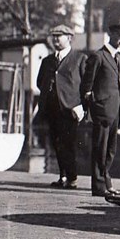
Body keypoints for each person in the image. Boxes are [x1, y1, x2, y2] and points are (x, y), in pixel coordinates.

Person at [81, 17, 120, 197]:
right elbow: (86, 86)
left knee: (110, 149)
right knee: (99, 148)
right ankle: (99, 186)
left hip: (115, 111)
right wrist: (92, 106)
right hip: (102, 110)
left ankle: (107, 182)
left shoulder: (118, 58)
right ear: (110, 35)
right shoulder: (98, 56)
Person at [36, 24, 85, 189]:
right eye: (54, 36)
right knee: (56, 143)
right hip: (52, 108)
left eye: (59, 36)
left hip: (70, 109)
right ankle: (62, 176)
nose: (55, 39)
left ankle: (72, 178)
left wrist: (81, 107)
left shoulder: (80, 59)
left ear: (69, 38)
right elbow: (40, 81)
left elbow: (86, 86)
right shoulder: (48, 61)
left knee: (68, 143)